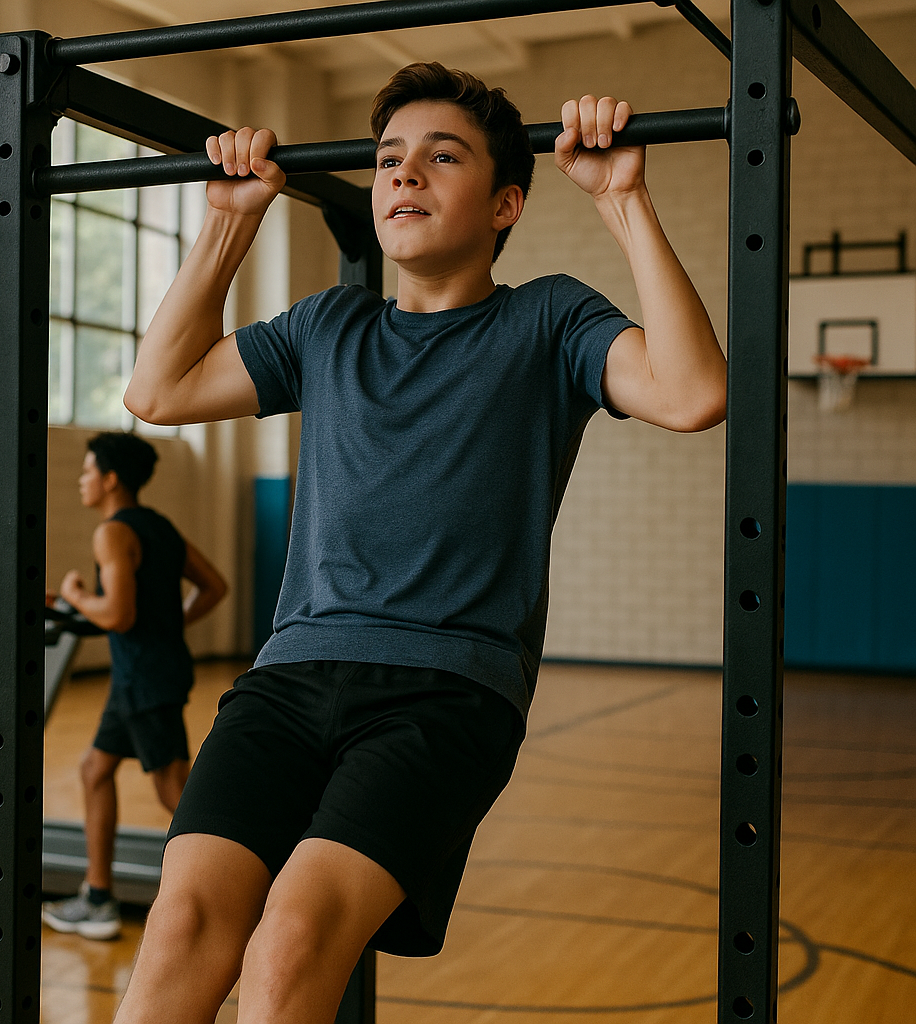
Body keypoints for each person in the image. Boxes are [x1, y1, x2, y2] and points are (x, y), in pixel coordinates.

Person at [117, 63, 726, 1022]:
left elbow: (692, 394)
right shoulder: (329, 325)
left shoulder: (548, 318)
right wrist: (231, 222)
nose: (404, 175)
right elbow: (159, 392)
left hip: (446, 692)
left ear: (505, 203)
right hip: (288, 677)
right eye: (389, 160)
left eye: (442, 158)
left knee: (289, 945)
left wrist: (623, 198)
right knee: (184, 927)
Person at [42, 431, 227, 940]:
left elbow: (119, 615)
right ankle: (97, 896)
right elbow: (215, 586)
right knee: (94, 769)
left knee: (176, 791)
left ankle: (257, 882)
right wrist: (168, 625)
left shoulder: (112, 532)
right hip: (145, 673)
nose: (81, 480)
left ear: (110, 478)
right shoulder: (159, 526)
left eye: (86, 471)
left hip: (144, 676)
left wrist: (77, 595)